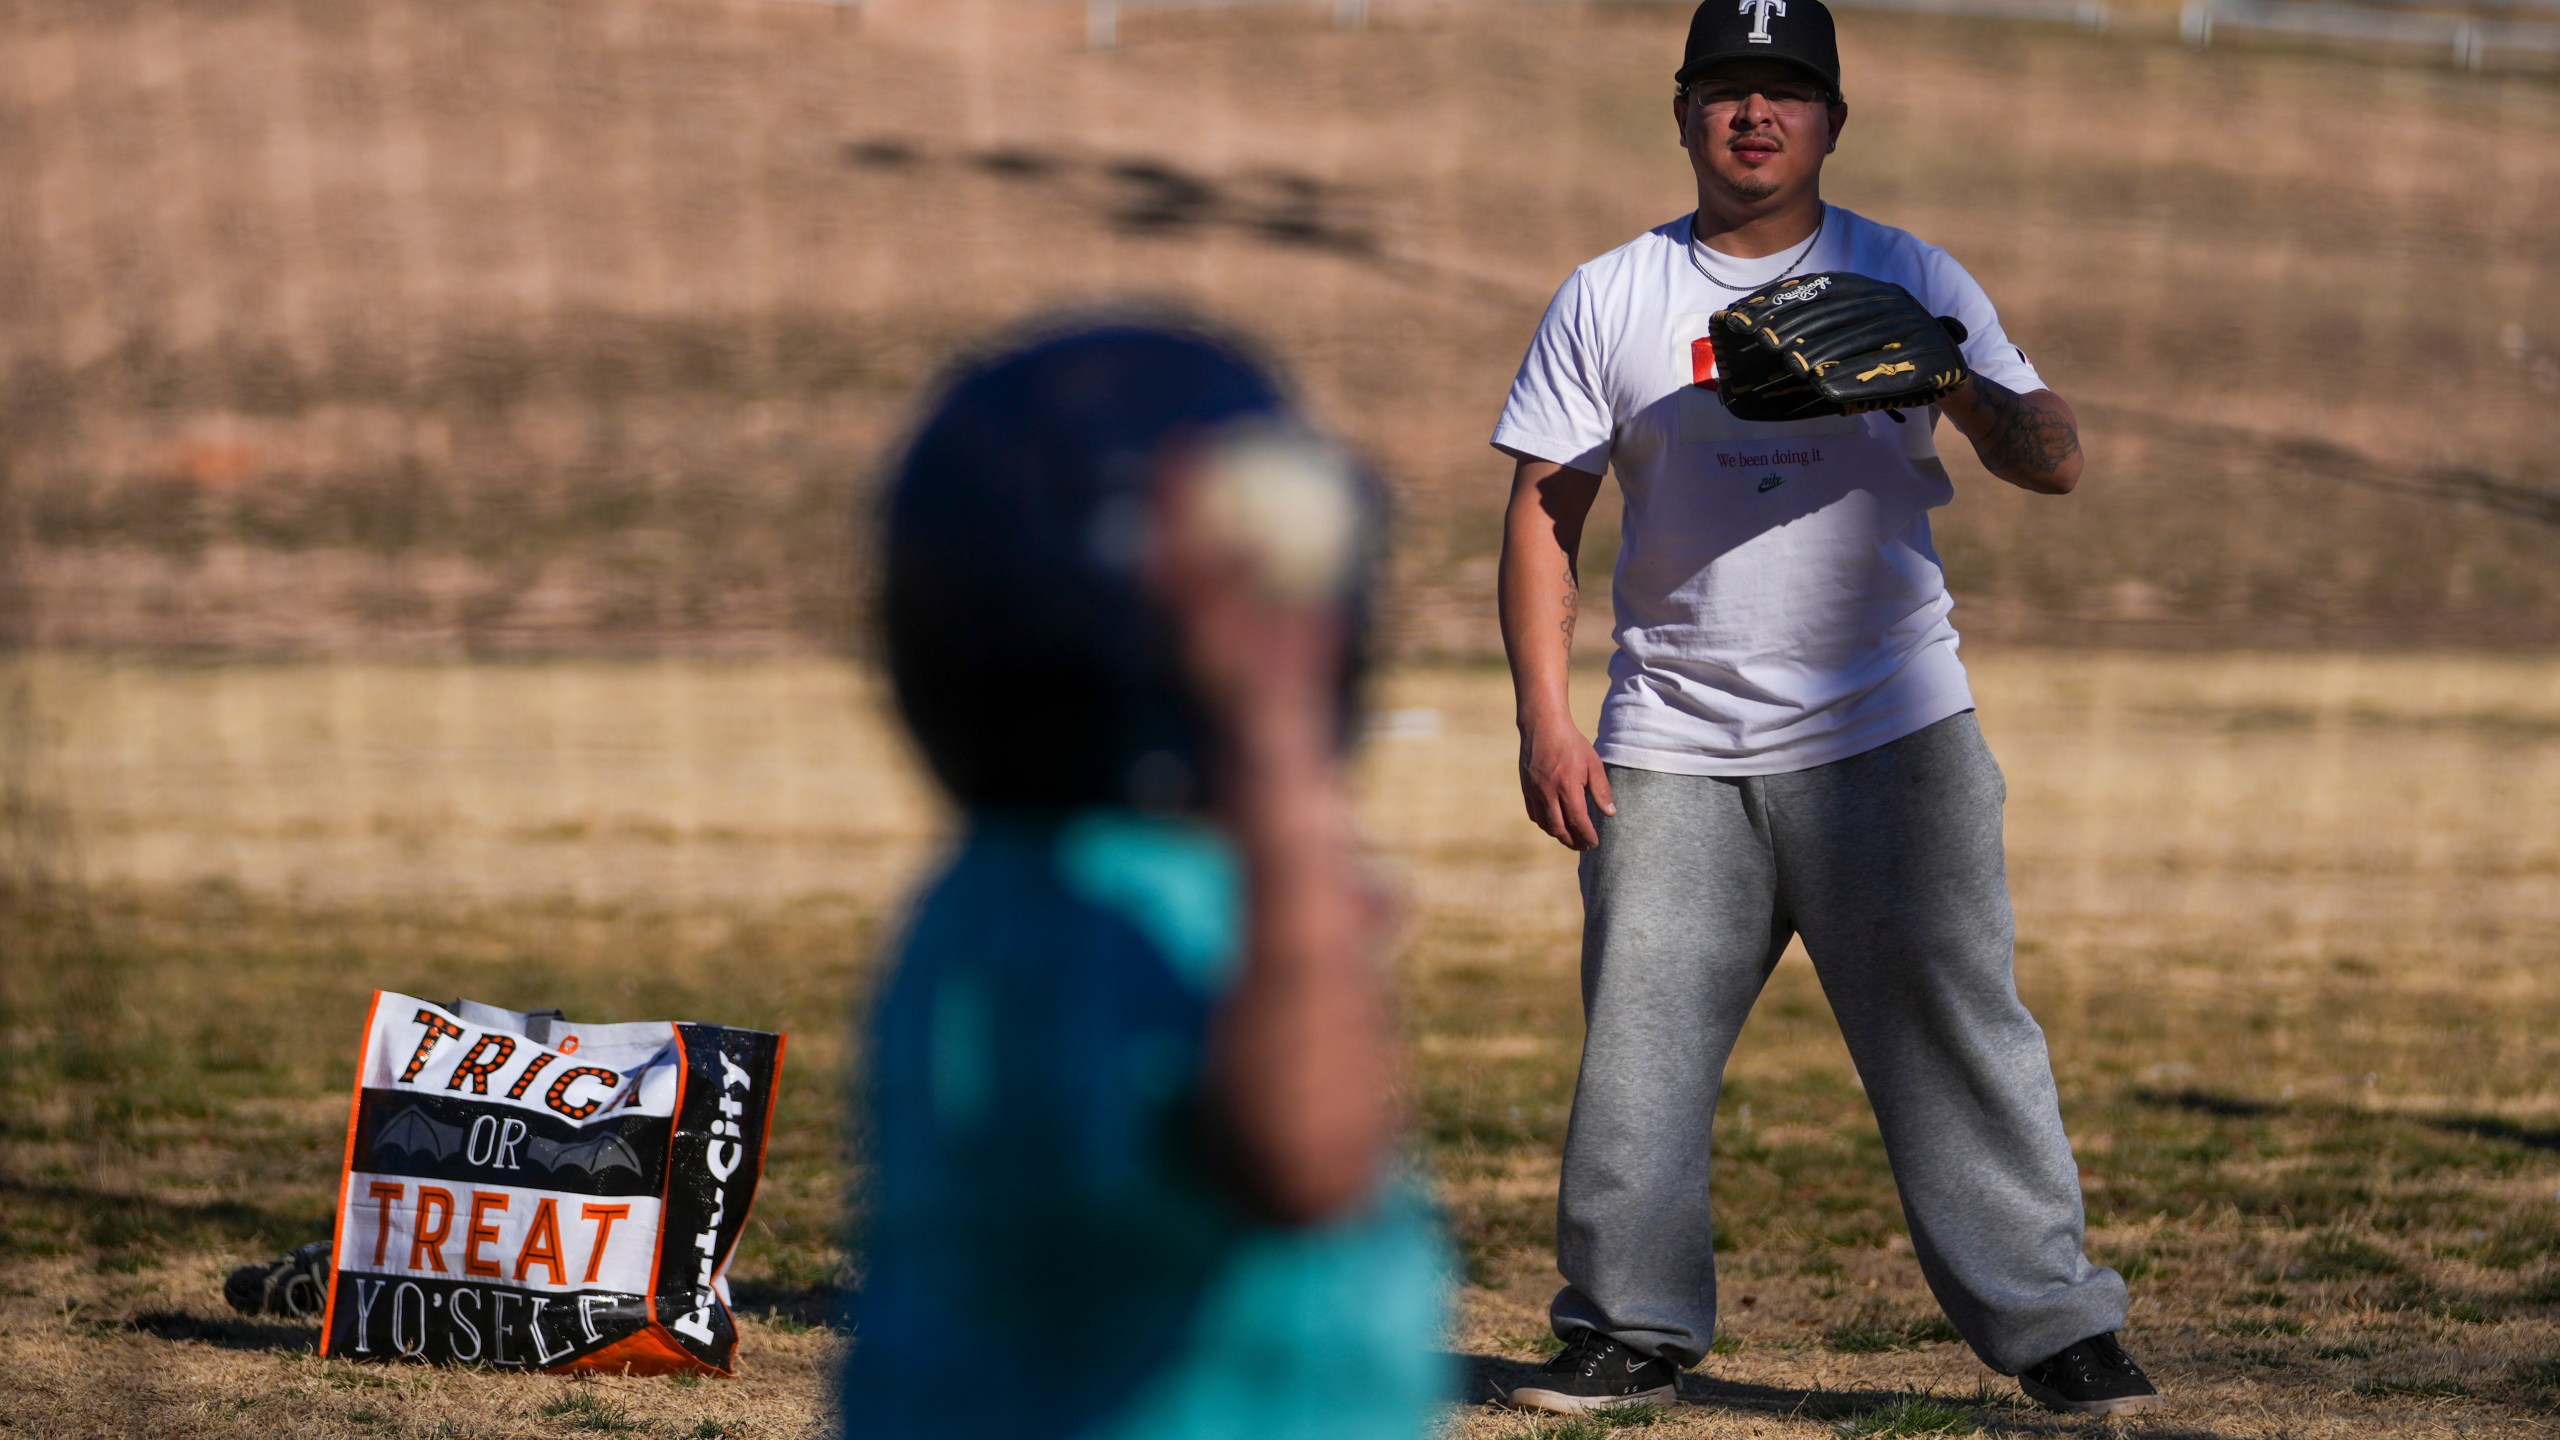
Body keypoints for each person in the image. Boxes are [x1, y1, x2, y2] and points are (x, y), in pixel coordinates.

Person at [1489, 0, 2159, 1418]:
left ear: (1833, 120)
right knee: (1639, 1055)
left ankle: (2058, 1333)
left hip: (1890, 730)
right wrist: (1547, 722)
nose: (1753, 114)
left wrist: (1954, 377)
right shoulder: (1610, 295)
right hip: (1669, 739)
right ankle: (1627, 1329)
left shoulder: (1909, 272)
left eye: (1785, 91)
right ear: (1680, 114)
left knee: (1962, 1037)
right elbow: (1546, 506)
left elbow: (2056, 460)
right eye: (1724, 88)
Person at [842, 317, 1450, 1439]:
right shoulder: (1132, 914)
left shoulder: (983, 899)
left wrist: (1294, 892)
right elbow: (1300, 1161)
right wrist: (1279, 754)